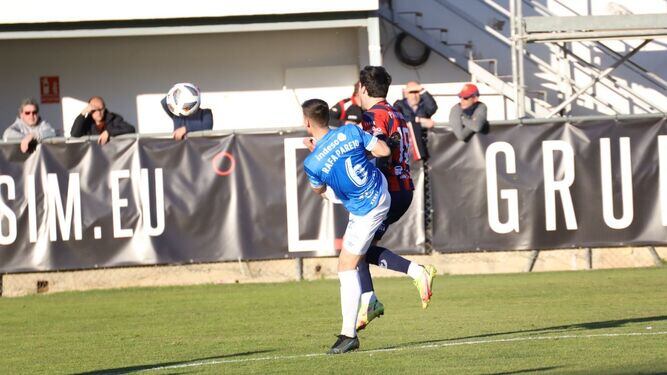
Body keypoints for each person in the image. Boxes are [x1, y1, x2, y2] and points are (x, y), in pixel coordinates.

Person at [302, 98, 391, 354]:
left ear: (307, 123)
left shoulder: (312, 163)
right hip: (379, 188)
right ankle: (369, 301)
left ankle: (348, 334)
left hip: (367, 209)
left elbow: (319, 190)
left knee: (346, 266)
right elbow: (383, 151)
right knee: (355, 260)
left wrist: (317, 154)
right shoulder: (350, 131)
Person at [356, 66, 436, 331]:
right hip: (404, 188)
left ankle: (412, 275)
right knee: (360, 251)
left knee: (354, 251)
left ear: (364, 89)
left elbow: (381, 151)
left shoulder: (372, 117)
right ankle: (370, 299)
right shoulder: (397, 114)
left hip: (385, 191)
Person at [393, 80, 438, 161]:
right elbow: (397, 118)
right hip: (406, 146)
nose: (414, 95)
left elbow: (433, 107)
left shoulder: (423, 105)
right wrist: (420, 121)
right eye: (411, 92)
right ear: (406, 93)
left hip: (425, 144)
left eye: (417, 92)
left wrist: (423, 90)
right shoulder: (399, 104)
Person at [71, 96, 135, 144]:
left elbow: (130, 128)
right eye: (94, 110)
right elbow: (74, 134)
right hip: (93, 157)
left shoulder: (113, 118)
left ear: (104, 108)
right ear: (90, 111)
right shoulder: (87, 122)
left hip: (111, 156)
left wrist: (109, 132)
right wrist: (83, 113)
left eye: (101, 109)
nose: (98, 113)